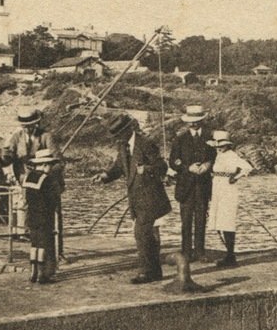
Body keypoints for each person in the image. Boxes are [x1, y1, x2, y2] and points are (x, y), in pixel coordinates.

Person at [92, 114, 171, 284]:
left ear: (129, 130)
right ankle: (155, 272)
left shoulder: (145, 143)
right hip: (136, 198)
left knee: (141, 234)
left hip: (151, 197)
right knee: (145, 235)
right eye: (116, 136)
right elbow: (119, 167)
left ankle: (146, 272)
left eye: (120, 134)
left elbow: (161, 166)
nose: (118, 139)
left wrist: (147, 169)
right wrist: (105, 176)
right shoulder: (123, 146)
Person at [5, 108, 65, 255]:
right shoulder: (16, 137)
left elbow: (59, 162)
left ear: (36, 123)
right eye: (24, 126)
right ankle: (36, 254)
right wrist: (6, 158)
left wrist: (44, 174)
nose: (27, 129)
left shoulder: (46, 136)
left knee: (53, 217)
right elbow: (7, 158)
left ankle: (58, 251)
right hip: (26, 184)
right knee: (33, 220)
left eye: (31, 125)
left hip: (47, 185)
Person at [169, 105, 215, 263]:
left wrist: (208, 165)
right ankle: (186, 252)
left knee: (201, 218)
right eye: (191, 121)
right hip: (185, 186)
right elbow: (173, 162)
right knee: (186, 220)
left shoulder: (210, 137)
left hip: (203, 184)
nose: (193, 124)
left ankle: (200, 252)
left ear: (202, 120)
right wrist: (187, 167)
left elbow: (215, 157)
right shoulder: (180, 139)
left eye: (197, 121)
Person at [206, 131, 253, 267]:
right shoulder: (219, 156)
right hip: (218, 188)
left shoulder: (232, 155)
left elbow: (248, 167)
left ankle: (230, 255)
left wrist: (235, 177)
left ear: (228, 145)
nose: (219, 147)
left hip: (227, 189)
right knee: (220, 220)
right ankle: (229, 253)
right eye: (217, 146)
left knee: (227, 220)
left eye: (222, 145)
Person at [23, 148, 63, 284]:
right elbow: (53, 199)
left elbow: (27, 198)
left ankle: (32, 272)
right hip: (44, 217)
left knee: (34, 244)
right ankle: (42, 275)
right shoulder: (47, 179)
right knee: (43, 244)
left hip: (31, 216)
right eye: (50, 165)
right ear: (45, 165)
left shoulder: (29, 177)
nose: (51, 168)